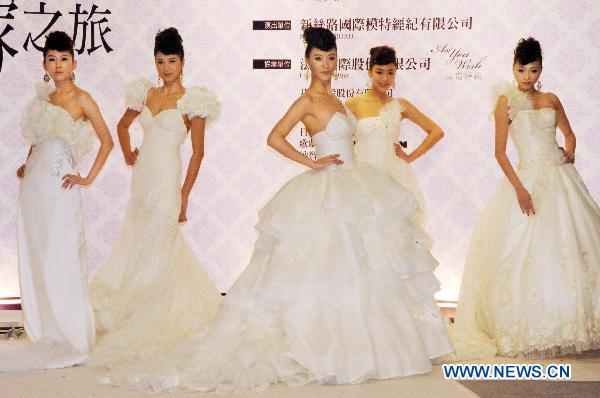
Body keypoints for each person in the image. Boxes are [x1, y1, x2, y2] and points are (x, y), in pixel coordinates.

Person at [103, 26, 452, 393]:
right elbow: (274, 137)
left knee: (367, 267)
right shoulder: (306, 102)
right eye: (319, 59)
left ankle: (377, 348)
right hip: (328, 187)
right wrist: (312, 162)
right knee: (328, 267)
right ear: (307, 62)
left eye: (331, 59)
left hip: (356, 185)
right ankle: (334, 350)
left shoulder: (338, 102)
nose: (326, 65)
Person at [450, 37, 600, 359]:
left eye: (533, 70)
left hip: (560, 178)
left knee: (572, 247)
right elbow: (499, 152)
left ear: (541, 69)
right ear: (513, 68)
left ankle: (573, 324)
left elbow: (570, 134)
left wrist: (569, 151)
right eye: (522, 70)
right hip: (526, 179)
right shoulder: (506, 102)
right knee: (522, 253)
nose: (527, 77)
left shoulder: (552, 99)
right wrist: (519, 188)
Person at [89, 27, 222, 369]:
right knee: (140, 242)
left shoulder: (193, 100)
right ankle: (137, 306)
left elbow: (198, 154)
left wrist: (185, 195)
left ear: (183, 62)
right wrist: (129, 154)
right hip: (143, 180)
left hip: (167, 180)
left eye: (171, 61)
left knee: (162, 243)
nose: (165, 68)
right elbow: (121, 126)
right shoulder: (145, 93)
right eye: (160, 62)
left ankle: (156, 310)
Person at [1, 31, 113, 372]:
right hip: (35, 185)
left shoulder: (83, 98)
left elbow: (107, 141)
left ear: (74, 62)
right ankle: (46, 330)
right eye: (52, 58)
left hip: (62, 186)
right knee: (38, 254)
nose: (58, 64)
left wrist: (88, 177)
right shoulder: (44, 98)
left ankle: (73, 334)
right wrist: (27, 162)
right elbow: (38, 139)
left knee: (61, 255)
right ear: (44, 64)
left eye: (64, 58)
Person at [347, 45, 444, 225]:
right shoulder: (354, 104)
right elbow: (340, 138)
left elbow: (436, 131)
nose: (385, 78)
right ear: (370, 72)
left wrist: (410, 157)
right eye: (379, 72)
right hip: (361, 175)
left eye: (390, 73)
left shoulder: (400, 105)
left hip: (393, 176)